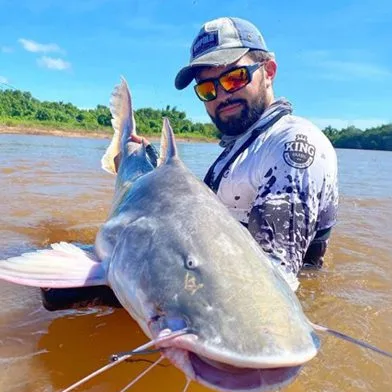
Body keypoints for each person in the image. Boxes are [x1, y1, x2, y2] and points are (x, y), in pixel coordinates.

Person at [41, 16, 339, 310]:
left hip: (234, 307)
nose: (222, 95)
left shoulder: (292, 145)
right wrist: (144, 166)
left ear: (269, 71)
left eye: (235, 78)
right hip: (207, 279)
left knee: (57, 289)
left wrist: (146, 288)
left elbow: (275, 283)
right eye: (207, 88)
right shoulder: (242, 148)